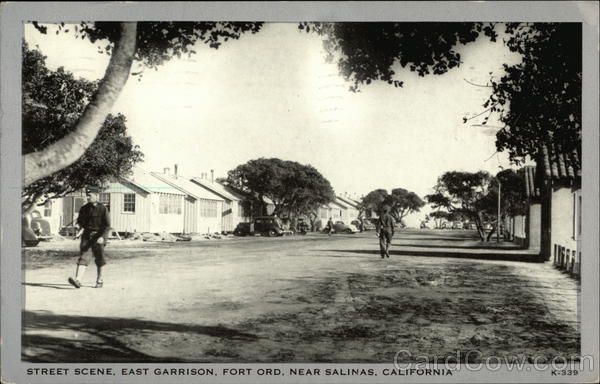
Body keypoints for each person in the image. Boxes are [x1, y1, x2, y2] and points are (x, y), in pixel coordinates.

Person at [68, 187, 111, 289]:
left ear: (97, 196)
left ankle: (100, 280)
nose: (87, 197)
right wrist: (79, 229)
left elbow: (107, 225)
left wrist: (102, 237)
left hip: (98, 236)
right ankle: (78, 280)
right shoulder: (84, 208)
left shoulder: (103, 209)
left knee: (99, 258)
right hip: (87, 236)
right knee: (83, 257)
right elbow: (80, 222)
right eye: (87, 195)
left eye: (90, 195)